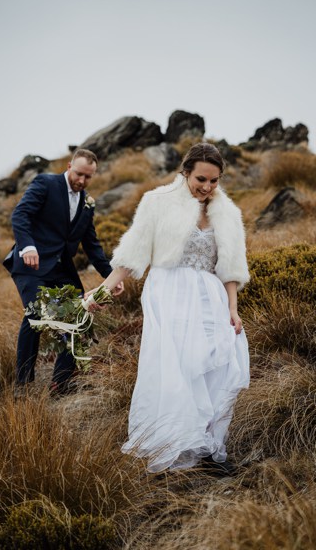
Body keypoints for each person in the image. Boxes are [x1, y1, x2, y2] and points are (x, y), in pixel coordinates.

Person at [85, 142, 250, 474]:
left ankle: (207, 443)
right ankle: (176, 445)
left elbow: (230, 267)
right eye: (201, 179)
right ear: (185, 172)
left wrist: (233, 309)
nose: (207, 187)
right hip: (170, 292)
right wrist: (99, 291)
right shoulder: (157, 202)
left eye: (214, 181)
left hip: (210, 295)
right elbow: (134, 252)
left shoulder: (228, 212)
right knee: (175, 367)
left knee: (215, 364)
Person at [3, 148, 123, 395]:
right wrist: (27, 246)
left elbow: (92, 245)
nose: (82, 180)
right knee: (35, 314)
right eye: (79, 174)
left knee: (80, 318)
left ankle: (61, 383)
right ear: (69, 166)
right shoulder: (46, 183)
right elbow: (21, 214)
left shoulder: (87, 204)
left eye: (88, 177)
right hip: (31, 265)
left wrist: (112, 276)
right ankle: (22, 385)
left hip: (61, 270)